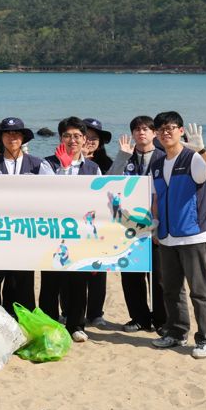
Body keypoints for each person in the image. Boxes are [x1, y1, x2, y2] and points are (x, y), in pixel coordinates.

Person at [149, 112, 206, 359]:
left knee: (199, 290)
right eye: (161, 129)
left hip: (194, 235)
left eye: (171, 128)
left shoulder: (192, 158)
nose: (165, 132)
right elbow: (155, 198)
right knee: (170, 290)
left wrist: (202, 150)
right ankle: (176, 332)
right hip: (167, 236)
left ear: (181, 131)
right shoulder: (157, 164)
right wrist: (155, 225)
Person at [0, 117, 53, 315]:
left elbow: (53, 193)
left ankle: (23, 332)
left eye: (17, 133)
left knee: (22, 290)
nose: (12, 137)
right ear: (1, 138)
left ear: (23, 138)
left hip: (24, 238)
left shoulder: (37, 164)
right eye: (8, 133)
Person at [41, 116, 101, 343]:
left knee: (78, 281)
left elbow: (98, 202)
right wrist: (64, 168)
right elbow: (49, 194)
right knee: (51, 282)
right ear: (60, 138)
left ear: (85, 139)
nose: (72, 140)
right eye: (67, 135)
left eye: (77, 136)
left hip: (81, 234)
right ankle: (49, 323)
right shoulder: (48, 164)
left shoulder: (93, 167)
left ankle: (76, 324)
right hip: (53, 233)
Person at [108, 115, 167, 334]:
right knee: (131, 275)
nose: (141, 133)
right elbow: (109, 182)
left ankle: (162, 321)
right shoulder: (127, 158)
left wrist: (159, 223)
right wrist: (122, 156)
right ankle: (140, 318)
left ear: (154, 133)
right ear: (132, 134)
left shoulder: (164, 157)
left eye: (146, 129)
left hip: (158, 226)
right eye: (137, 130)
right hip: (129, 228)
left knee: (160, 277)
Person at [80, 118, 113, 328]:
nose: (90, 141)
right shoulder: (67, 162)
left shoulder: (108, 164)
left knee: (98, 271)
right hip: (75, 225)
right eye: (87, 137)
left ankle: (95, 313)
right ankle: (70, 311)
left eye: (95, 138)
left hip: (100, 226)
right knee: (73, 272)